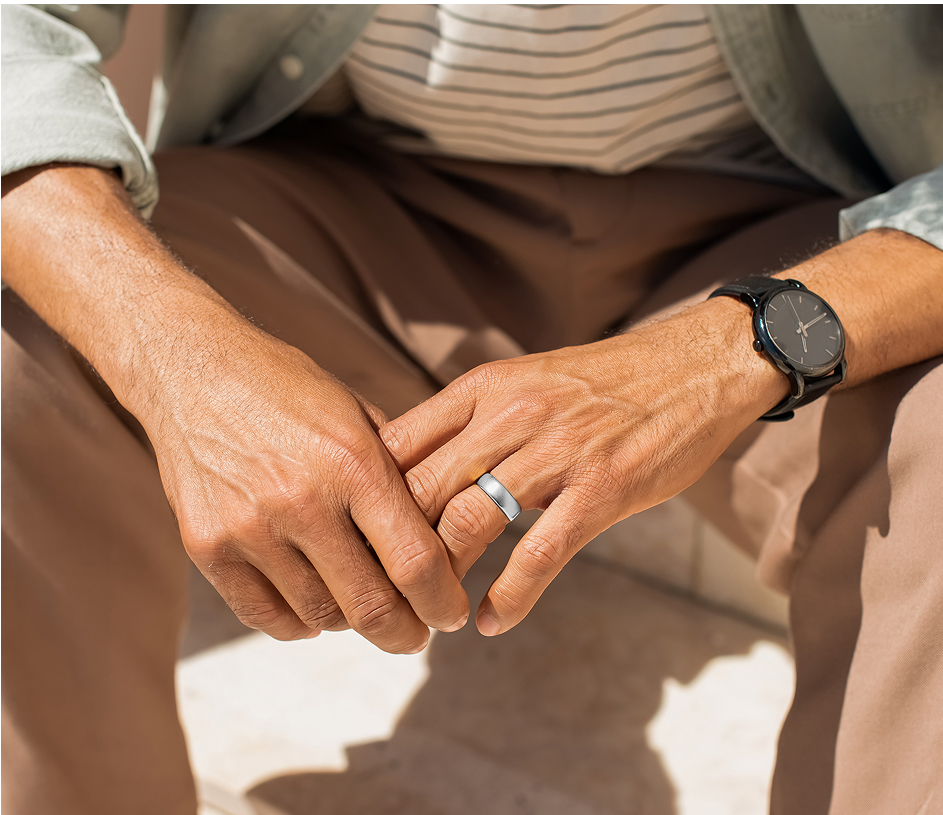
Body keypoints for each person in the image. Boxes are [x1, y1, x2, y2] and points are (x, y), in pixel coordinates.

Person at [2, 5, 941, 814]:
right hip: (344, 191)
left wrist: (744, 346)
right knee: (25, 340)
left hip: (796, 228)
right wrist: (185, 364)